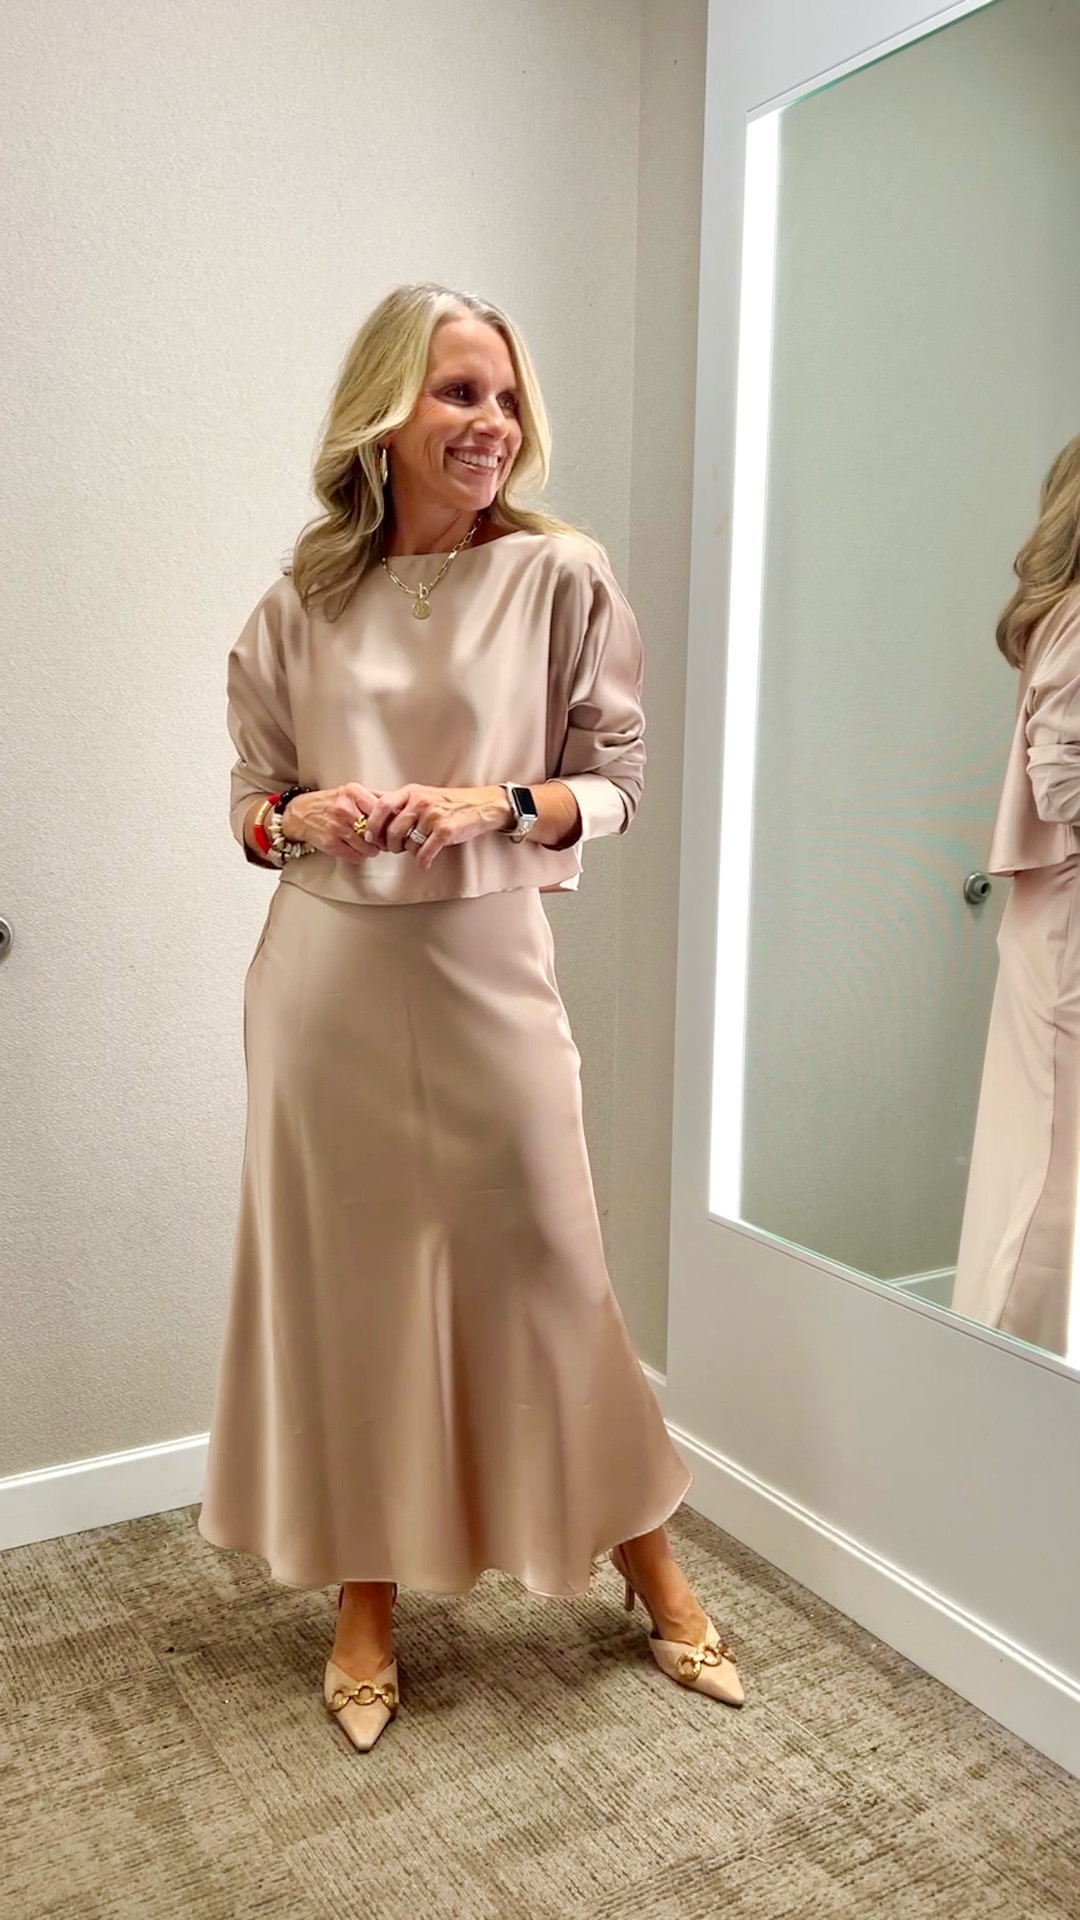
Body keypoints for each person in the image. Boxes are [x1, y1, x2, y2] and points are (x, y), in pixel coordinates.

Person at [198, 282, 744, 1750]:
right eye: (458, 392)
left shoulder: (562, 577)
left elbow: (617, 782)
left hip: (489, 965)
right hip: (324, 985)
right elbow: (250, 802)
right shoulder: (300, 599)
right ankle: (364, 1606)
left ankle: (651, 1567)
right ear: (386, 413)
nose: (491, 422)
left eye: (504, 397)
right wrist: (299, 815)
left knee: (553, 1270)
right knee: (353, 1291)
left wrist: (498, 801)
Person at [953, 434, 1080, 1358]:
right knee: (1046, 1166)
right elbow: (1061, 778)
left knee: (1037, 1158)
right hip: (1070, 921)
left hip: (1059, 914)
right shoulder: (1077, 616)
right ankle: (1007, 1377)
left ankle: (1006, 1372)